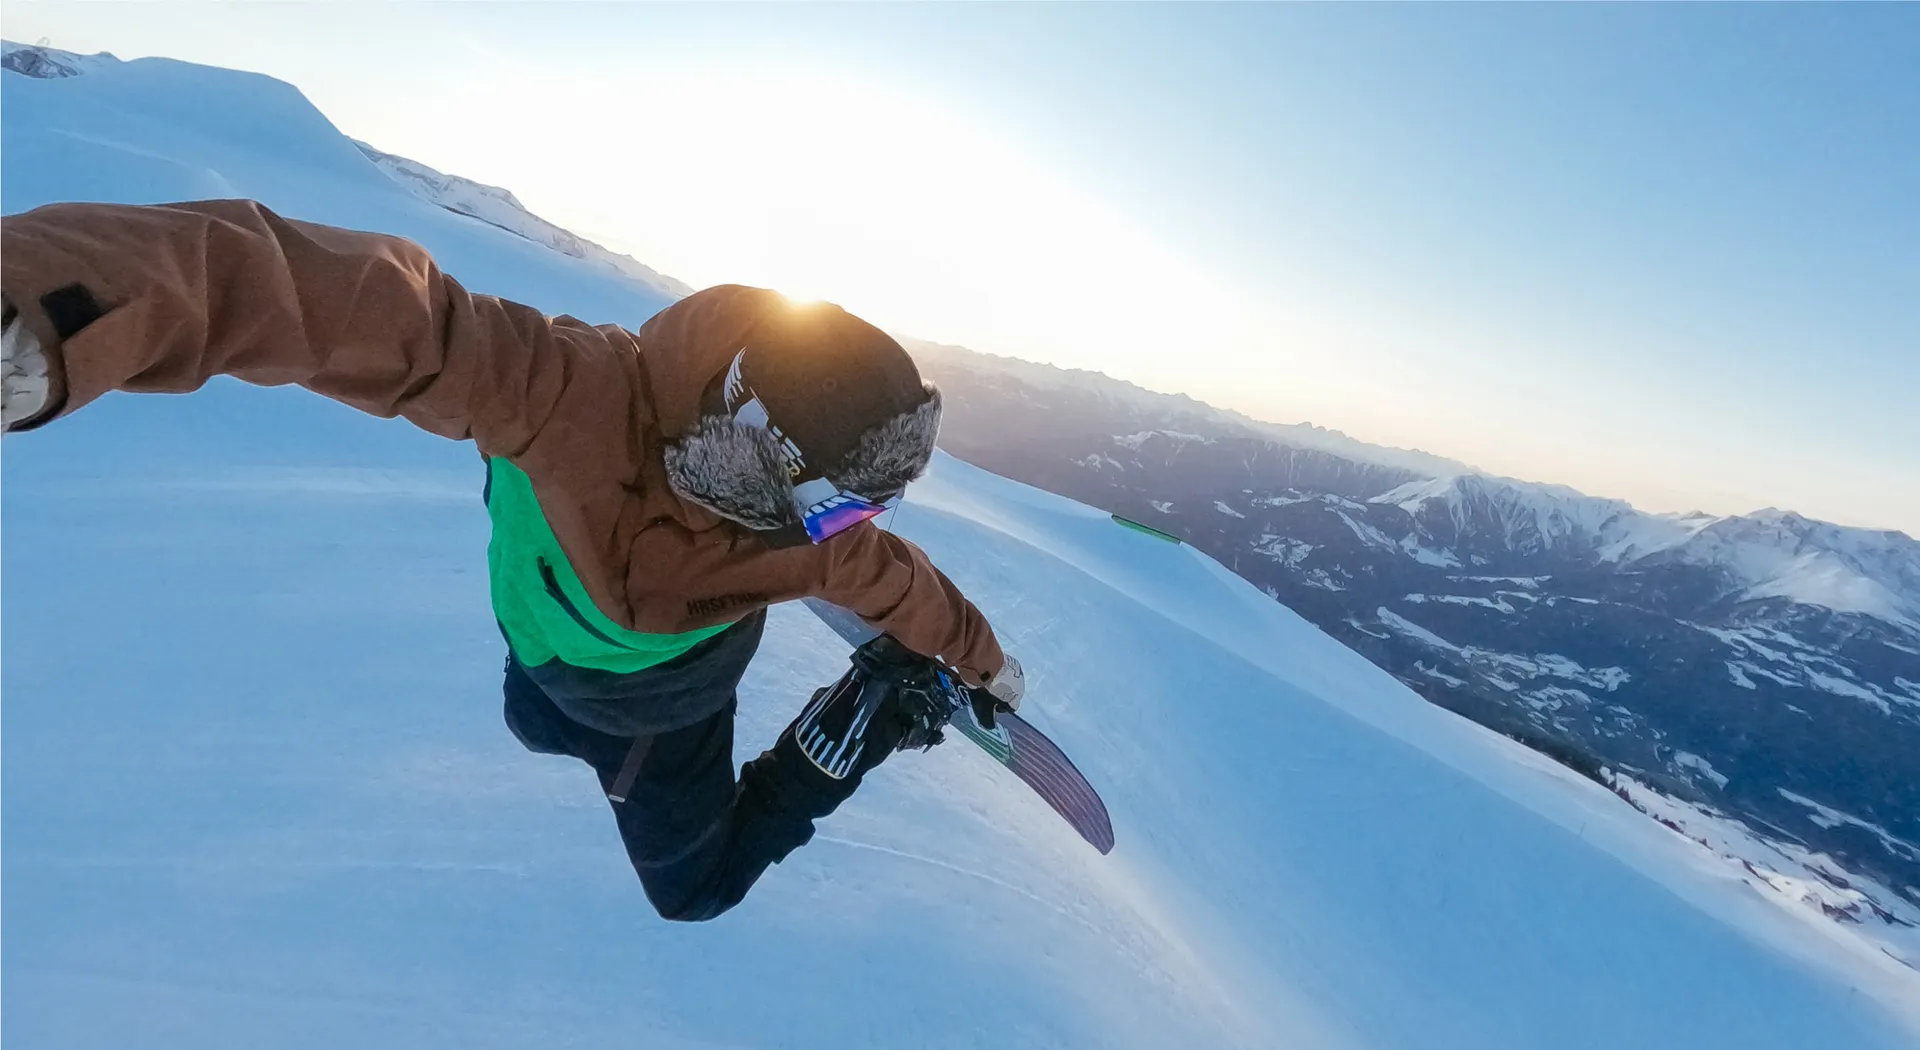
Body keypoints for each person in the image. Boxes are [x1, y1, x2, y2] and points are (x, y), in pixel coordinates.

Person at [0, 198, 1026, 922]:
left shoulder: (816, 544)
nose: (849, 531)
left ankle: (871, 710)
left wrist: (976, 661)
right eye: (841, 503)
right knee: (533, 718)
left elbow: (892, 576)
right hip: (551, 662)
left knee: (694, 892)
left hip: (671, 714)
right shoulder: (558, 392)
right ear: (755, 445)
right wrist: (47, 311)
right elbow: (328, 296)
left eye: (871, 509)